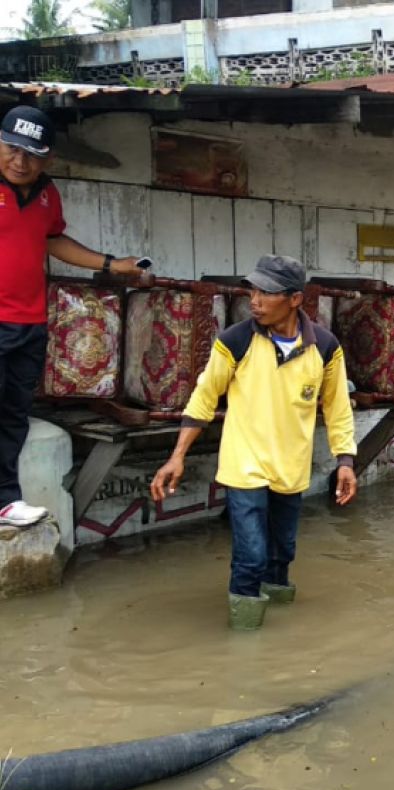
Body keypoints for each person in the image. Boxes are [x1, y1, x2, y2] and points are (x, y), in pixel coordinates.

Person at [149, 255, 358, 631]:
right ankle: (245, 638)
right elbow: (203, 397)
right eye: (253, 291)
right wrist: (176, 456)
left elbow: (338, 409)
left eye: (267, 293)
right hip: (243, 464)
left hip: (290, 467)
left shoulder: (325, 347)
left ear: (295, 299)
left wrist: (345, 460)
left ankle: (277, 629)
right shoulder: (235, 340)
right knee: (251, 556)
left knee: (282, 555)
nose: (255, 301)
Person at [0, 105, 144, 528]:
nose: (19, 161)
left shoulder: (47, 194)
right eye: (11, 149)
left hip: (29, 322)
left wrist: (111, 264)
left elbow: (52, 239)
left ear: (48, 158)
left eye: (31, 154)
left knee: (12, 414)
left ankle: (5, 501)